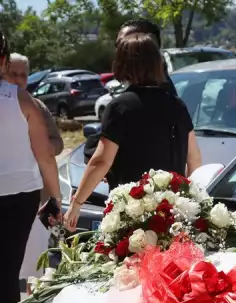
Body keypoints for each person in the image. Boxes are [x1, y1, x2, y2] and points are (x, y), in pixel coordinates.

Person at [65, 33, 201, 231]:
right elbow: (195, 160)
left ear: (123, 65)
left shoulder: (120, 107)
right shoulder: (177, 105)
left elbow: (101, 161)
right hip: (171, 216)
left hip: (131, 214)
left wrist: (76, 204)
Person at [0, 29, 61, 303]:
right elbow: (45, 156)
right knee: (7, 270)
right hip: (18, 193)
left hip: (18, 192)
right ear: (4, 61)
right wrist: (56, 196)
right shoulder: (20, 100)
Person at [3, 53, 64, 287]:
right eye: (13, 74)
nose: (18, 80)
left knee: (36, 263)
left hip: (39, 197)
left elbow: (56, 144)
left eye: (23, 75)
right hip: (11, 195)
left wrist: (37, 147)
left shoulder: (35, 106)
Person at [84, 19, 176, 164]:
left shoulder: (160, 97)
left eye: (123, 45)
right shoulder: (156, 93)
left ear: (145, 45)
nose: (118, 51)